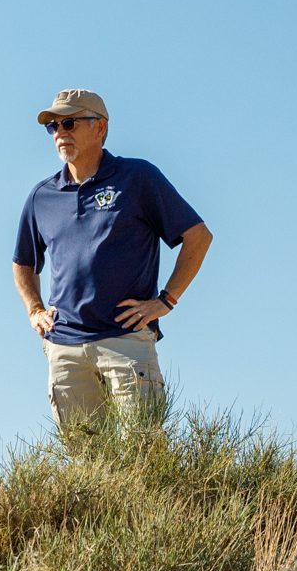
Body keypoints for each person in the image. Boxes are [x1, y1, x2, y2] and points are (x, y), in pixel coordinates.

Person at [12, 90, 213, 428]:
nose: (61, 132)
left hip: (126, 341)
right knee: (86, 466)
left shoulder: (138, 178)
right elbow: (23, 262)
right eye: (54, 127)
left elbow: (198, 237)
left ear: (100, 127)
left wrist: (166, 300)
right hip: (65, 348)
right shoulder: (41, 197)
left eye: (70, 123)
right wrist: (34, 309)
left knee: (144, 450)